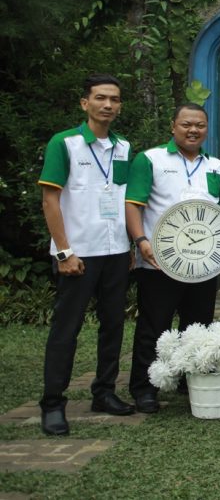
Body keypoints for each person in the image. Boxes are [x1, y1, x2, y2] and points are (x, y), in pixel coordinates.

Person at [38, 74, 135, 435]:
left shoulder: (123, 147)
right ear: (85, 103)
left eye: (114, 99)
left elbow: (123, 198)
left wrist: (128, 244)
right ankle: (52, 403)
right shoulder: (65, 143)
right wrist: (64, 251)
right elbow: (50, 199)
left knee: (113, 325)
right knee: (67, 329)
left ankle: (104, 392)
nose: (108, 105)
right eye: (100, 98)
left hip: (115, 251)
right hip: (77, 253)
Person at [126, 103, 220, 414]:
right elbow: (133, 205)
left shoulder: (218, 167)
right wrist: (140, 241)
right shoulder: (151, 160)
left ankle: (189, 379)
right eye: (186, 124)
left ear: (207, 128)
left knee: (197, 325)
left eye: (199, 124)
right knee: (153, 325)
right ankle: (144, 388)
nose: (193, 130)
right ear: (173, 126)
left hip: (203, 263)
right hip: (159, 262)